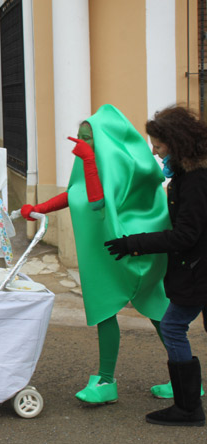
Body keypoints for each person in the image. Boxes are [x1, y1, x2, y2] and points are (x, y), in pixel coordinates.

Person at [21, 104, 171, 404]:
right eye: (80, 136)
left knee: (157, 311)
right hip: (105, 250)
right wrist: (39, 208)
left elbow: (97, 202)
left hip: (131, 248)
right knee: (105, 309)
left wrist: (89, 159)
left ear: (103, 139)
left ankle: (183, 378)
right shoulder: (91, 163)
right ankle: (105, 380)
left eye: (88, 137)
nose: (81, 142)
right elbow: (76, 194)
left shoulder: (121, 164)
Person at [104, 105, 207, 426]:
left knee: (173, 327)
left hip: (198, 270)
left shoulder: (194, 179)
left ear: (176, 143)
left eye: (158, 145)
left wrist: (133, 244)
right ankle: (188, 405)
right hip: (199, 268)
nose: (154, 151)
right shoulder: (189, 174)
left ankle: (188, 409)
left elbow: (185, 235)